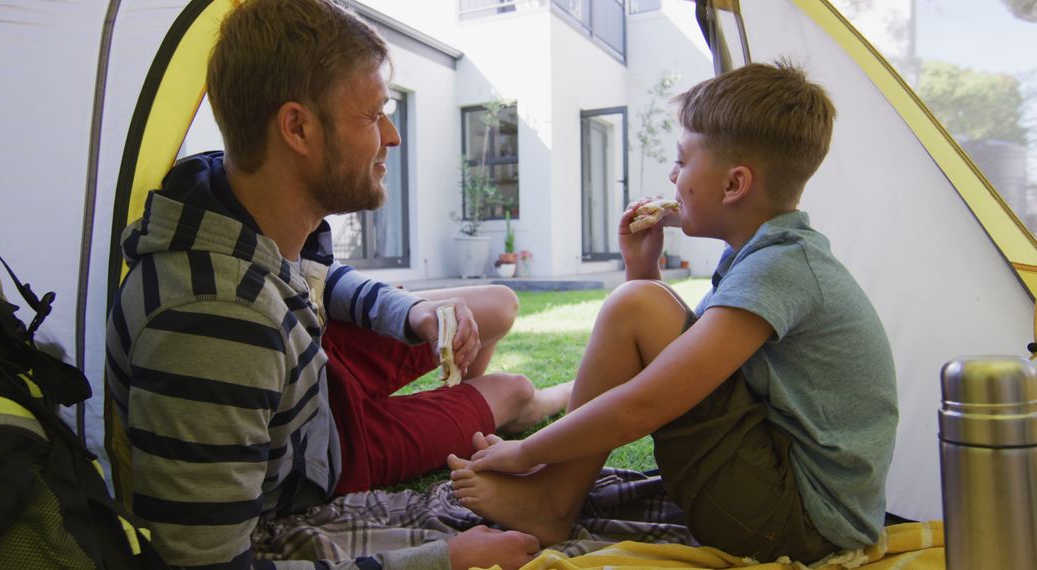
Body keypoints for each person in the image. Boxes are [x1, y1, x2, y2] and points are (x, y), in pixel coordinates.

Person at [104, 1, 569, 568]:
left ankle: (466, 407)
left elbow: (321, 280)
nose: (393, 137)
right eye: (375, 115)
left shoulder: (232, 203)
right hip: (327, 452)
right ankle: (539, 403)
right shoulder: (217, 324)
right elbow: (201, 564)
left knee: (494, 304)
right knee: (513, 390)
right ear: (297, 127)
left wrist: (411, 314)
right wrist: (445, 559)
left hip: (311, 378)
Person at [448, 61, 899, 565]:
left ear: (734, 185)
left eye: (682, 160)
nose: (672, 175)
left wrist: (526, 451)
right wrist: (644, 269)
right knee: (640, 302)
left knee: (636, 305)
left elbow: (649, 401)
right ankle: (551, 494)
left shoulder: (780, 269)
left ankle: (551, 500)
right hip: (790, 502)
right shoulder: (768, 257)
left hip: (798, 525)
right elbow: (677, 364)